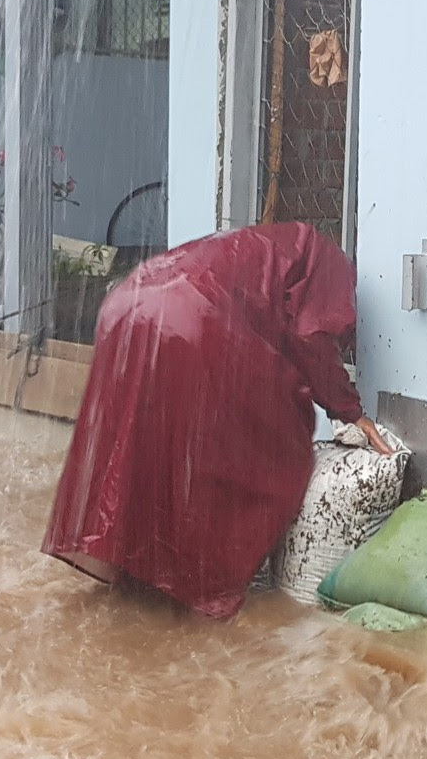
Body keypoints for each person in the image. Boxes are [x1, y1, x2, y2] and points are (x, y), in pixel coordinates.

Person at [42, 222, 392, 620]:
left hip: (125, 308)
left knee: (142, 451)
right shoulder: (332, 264)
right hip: (189, 320)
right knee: (256, 452)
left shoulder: (257, 243)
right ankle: (196, 588)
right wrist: (349, 411)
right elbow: (312, 337)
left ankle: (136, 581)